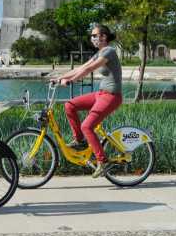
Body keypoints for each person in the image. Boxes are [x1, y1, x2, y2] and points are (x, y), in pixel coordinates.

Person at [51, 24, 122, 178]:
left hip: (112, 96)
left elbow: (89, 70)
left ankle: (103, 162)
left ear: (103, 37)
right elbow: (81, 68)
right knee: (70, 105)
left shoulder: (109, 51)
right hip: (101, 94)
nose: (93, 38)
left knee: (87, 126)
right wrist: (60, 78)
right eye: (92, 36)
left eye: (95, 35)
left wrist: (71, 81)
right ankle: (79, 141)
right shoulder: (99, 53)